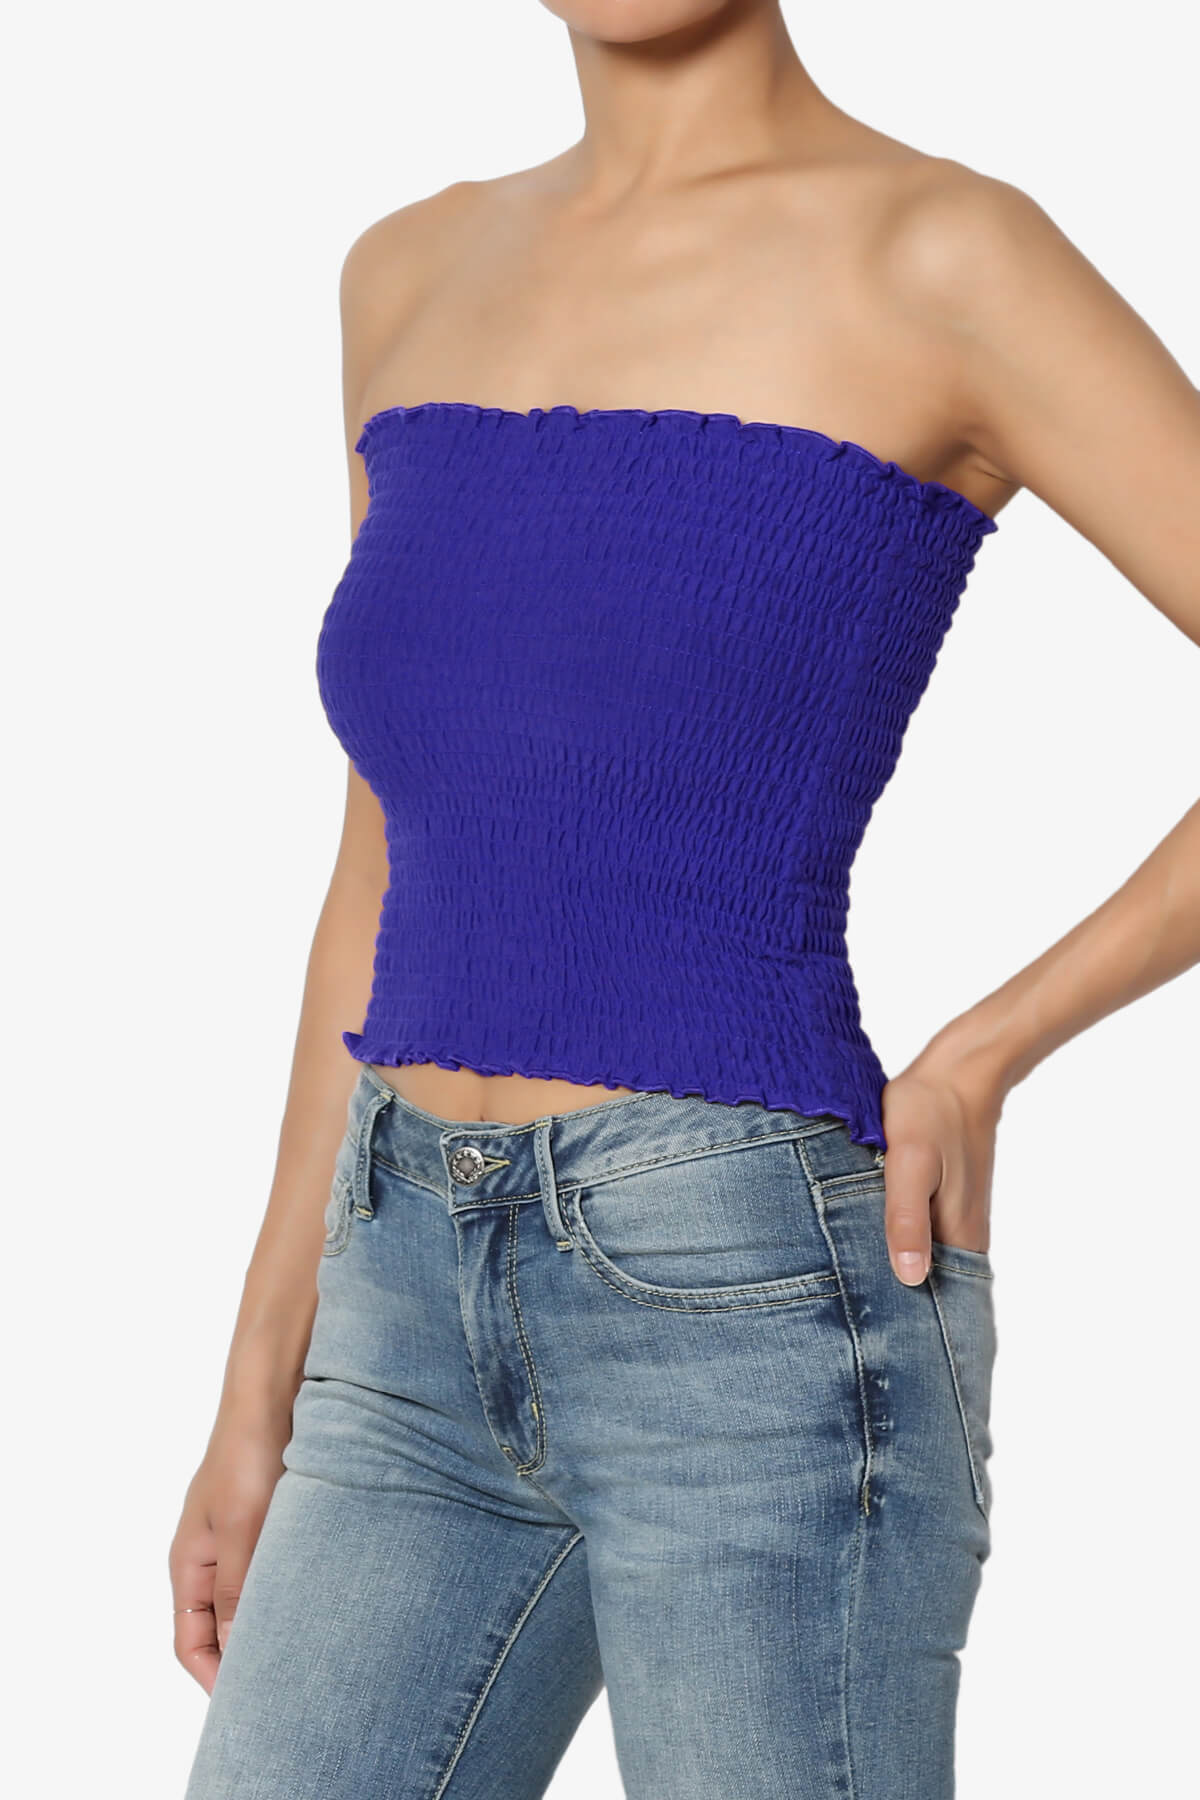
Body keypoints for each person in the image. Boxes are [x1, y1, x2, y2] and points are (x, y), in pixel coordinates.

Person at [173, 3, 1200, 1796]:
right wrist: (263, 1374)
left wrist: (988, 1051)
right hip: (399, 1301)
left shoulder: (942, 253)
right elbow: (387, 850)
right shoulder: (407, 271)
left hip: (744, 1303)